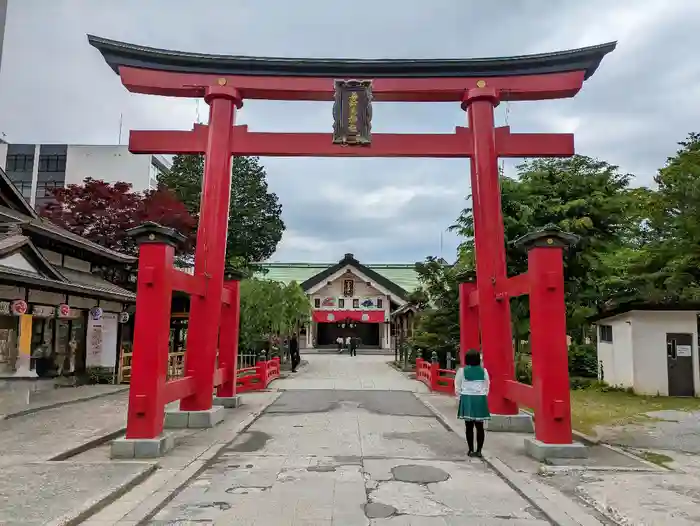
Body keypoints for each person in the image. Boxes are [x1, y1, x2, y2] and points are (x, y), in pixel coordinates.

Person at [455, 349, 490, 457]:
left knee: (468, 426)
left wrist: (461, 396)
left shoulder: (462, 371)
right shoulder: (484, 371)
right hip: (479, 399)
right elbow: (487, 385)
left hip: (467, 398)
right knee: (479, 426)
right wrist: (482, 394)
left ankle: (470, 449)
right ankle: (479, 450)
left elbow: (457, 386)